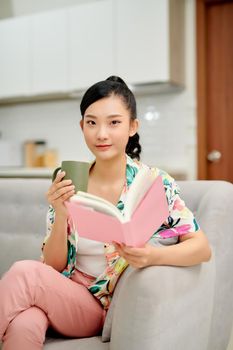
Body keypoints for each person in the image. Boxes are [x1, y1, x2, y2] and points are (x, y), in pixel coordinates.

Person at [0, 76, 211, 350]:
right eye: (91, 122)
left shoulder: (154, 184)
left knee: (25, 272)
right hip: (61, 294)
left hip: (98, 307)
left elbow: (202, 248)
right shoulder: (71, 181)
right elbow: (52, 268)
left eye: (114, 122)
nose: (101, 134)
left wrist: (152, 256)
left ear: (132, 126)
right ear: (82, 126)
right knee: (24, 323)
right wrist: (61, 213)